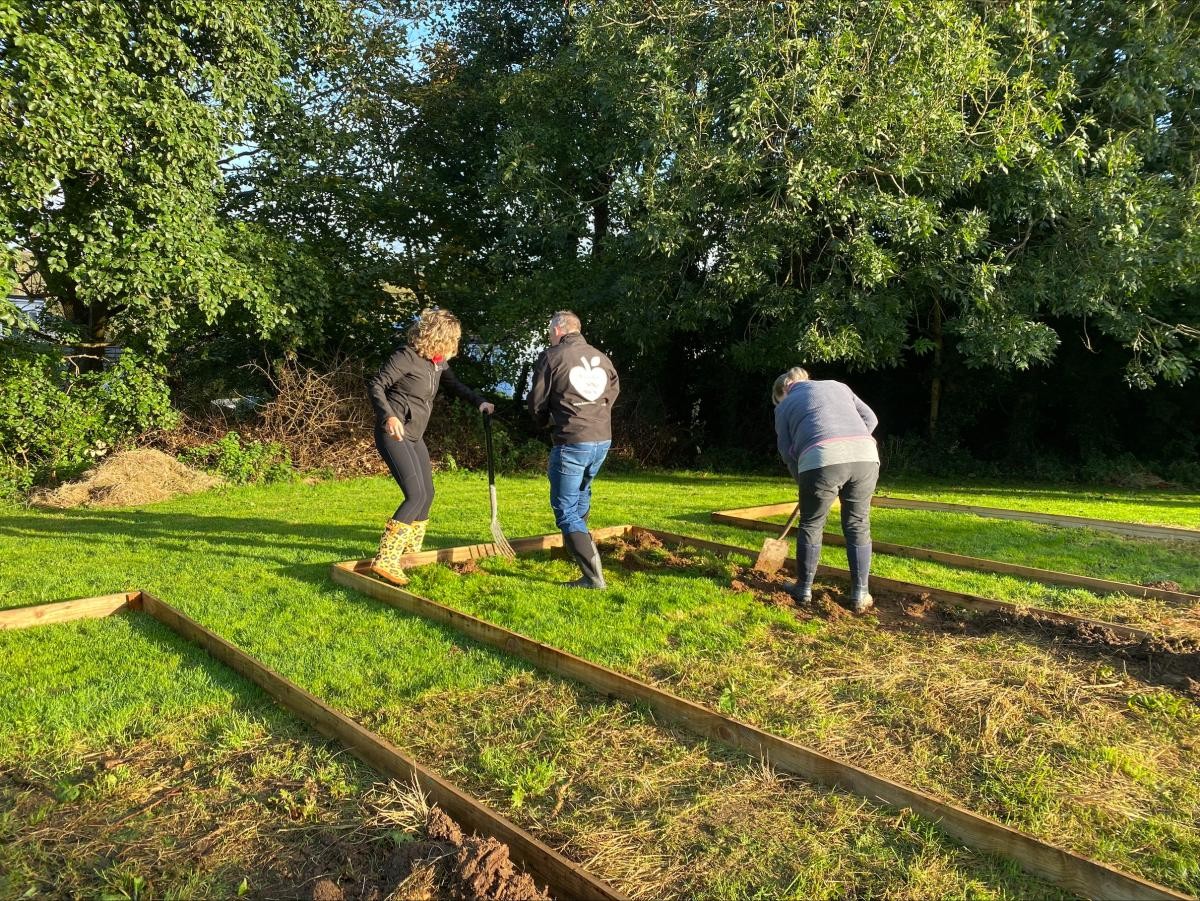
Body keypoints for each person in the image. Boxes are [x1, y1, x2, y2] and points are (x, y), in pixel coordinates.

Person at [367, 309, 494, 585]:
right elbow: (376, 384)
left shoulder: (437, 363)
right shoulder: (406, 356)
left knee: (428, 494)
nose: (456, 346)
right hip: (394, 433)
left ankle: (410, 554)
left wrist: (479, 402)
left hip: (415, 435)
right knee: (415, 495)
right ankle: (385, 559)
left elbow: (455, 385)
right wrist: (388, 416)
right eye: (454, 340)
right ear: (440, 337)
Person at [772, 366, 880, 613]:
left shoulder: (784, 407)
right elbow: (871, 420)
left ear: (784, 390)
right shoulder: (838, 386)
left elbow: (786, 452)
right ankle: (860, 594)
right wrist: (852, 441)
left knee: (811, 524)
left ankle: (803, 589)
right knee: (857, 524)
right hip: (866, 456)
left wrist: (803, 481)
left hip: (820, 459)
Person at [527, 310, 620, 589]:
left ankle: (593, 577)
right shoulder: (601, 357)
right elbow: (613, 392)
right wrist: (596, 416)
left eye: (549, 330)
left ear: (559, 329)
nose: (548, 335)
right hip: (601, 439)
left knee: (565, 509)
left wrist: (545, 422)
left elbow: (537, 401)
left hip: (572, 440)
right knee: (581, 493)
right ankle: (577, 552)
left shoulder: (551, 357)